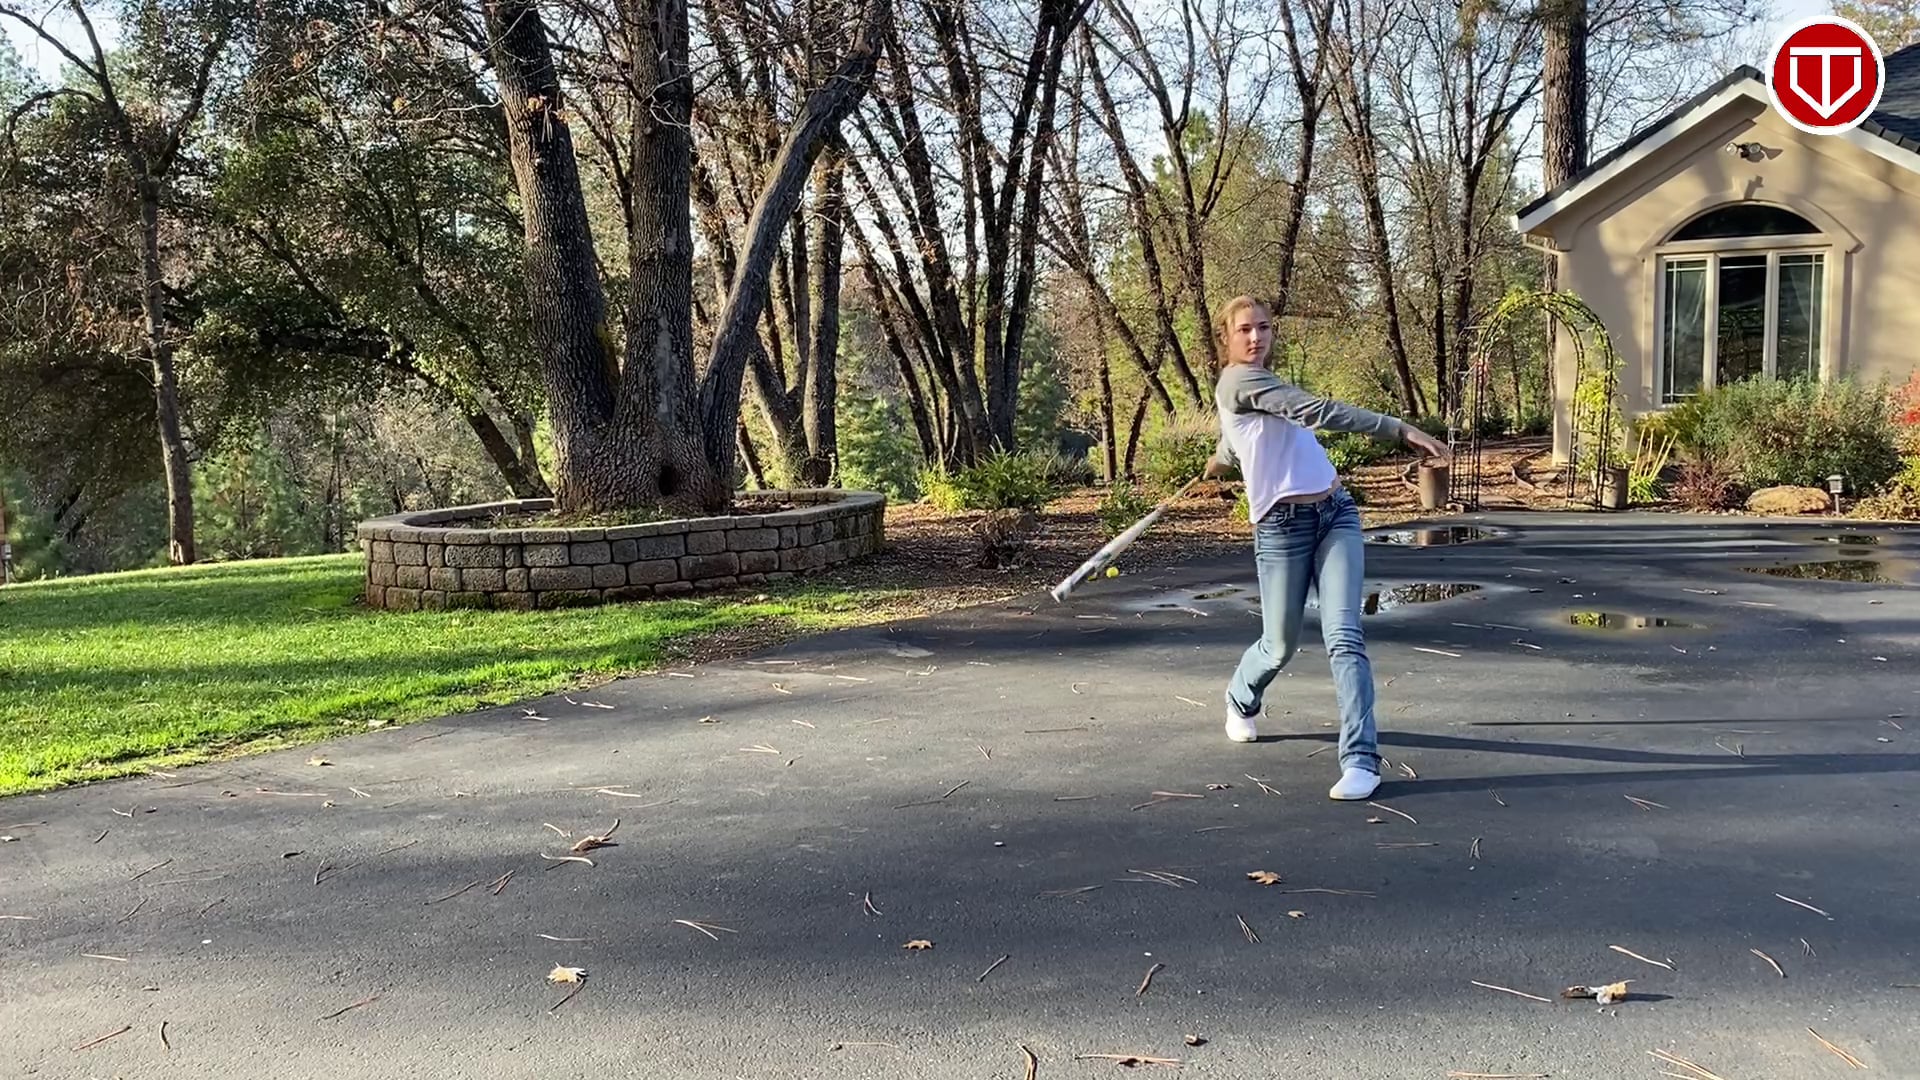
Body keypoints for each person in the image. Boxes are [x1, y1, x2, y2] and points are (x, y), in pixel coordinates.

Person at [1203, 294, 1451, 801]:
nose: (1256, 337)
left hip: (1335, 512)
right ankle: (1240, 698)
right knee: (1279, 645)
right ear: (1225, 338)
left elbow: (1246, 433)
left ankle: (1361, 760)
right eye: (1245, 329)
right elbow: (1312, 411)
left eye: (1264, 327)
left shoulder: (1259, 385)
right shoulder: (1238, 382)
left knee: (1344, 635)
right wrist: (1398, 428)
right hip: (1281, 529)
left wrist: (1221, 458)